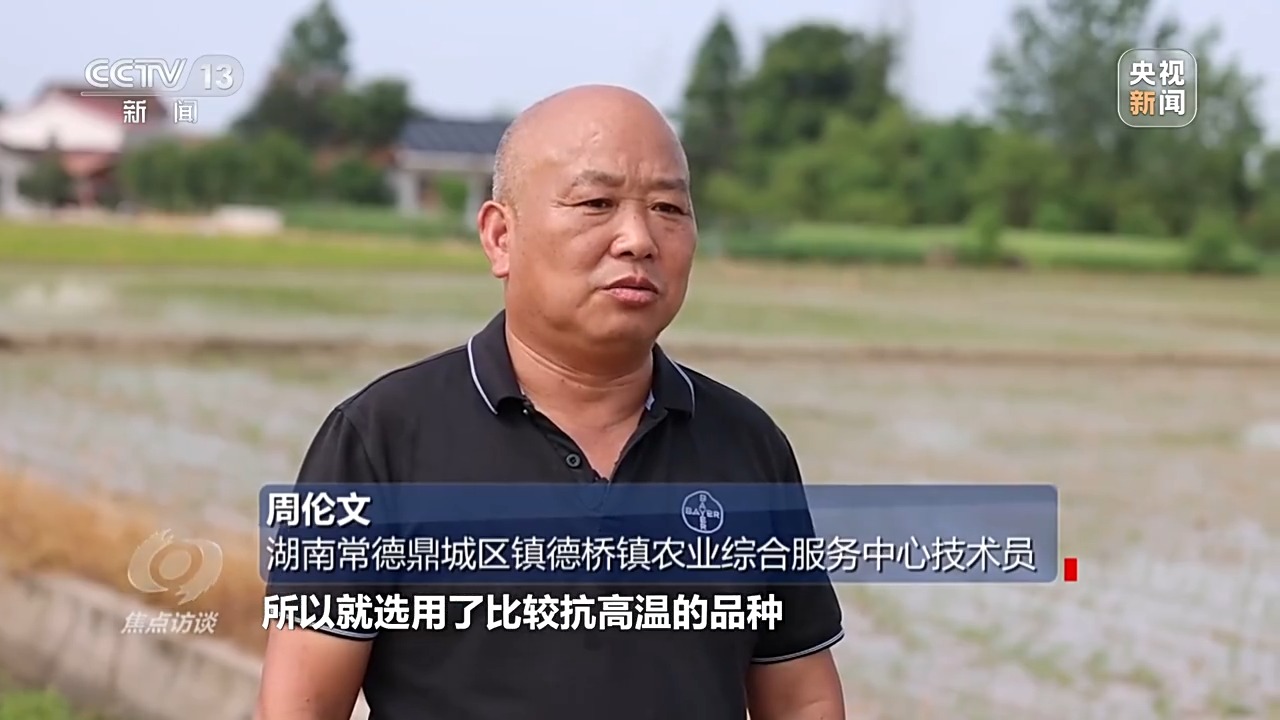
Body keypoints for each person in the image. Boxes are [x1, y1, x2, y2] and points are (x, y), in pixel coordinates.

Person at [256, 84, 845, 720]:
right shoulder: (381, 439)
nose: (639, 239)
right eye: (596, 203)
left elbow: (803, 697)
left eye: (669, 208)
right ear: (500, 237)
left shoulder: (746, 444)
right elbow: (299, 708)